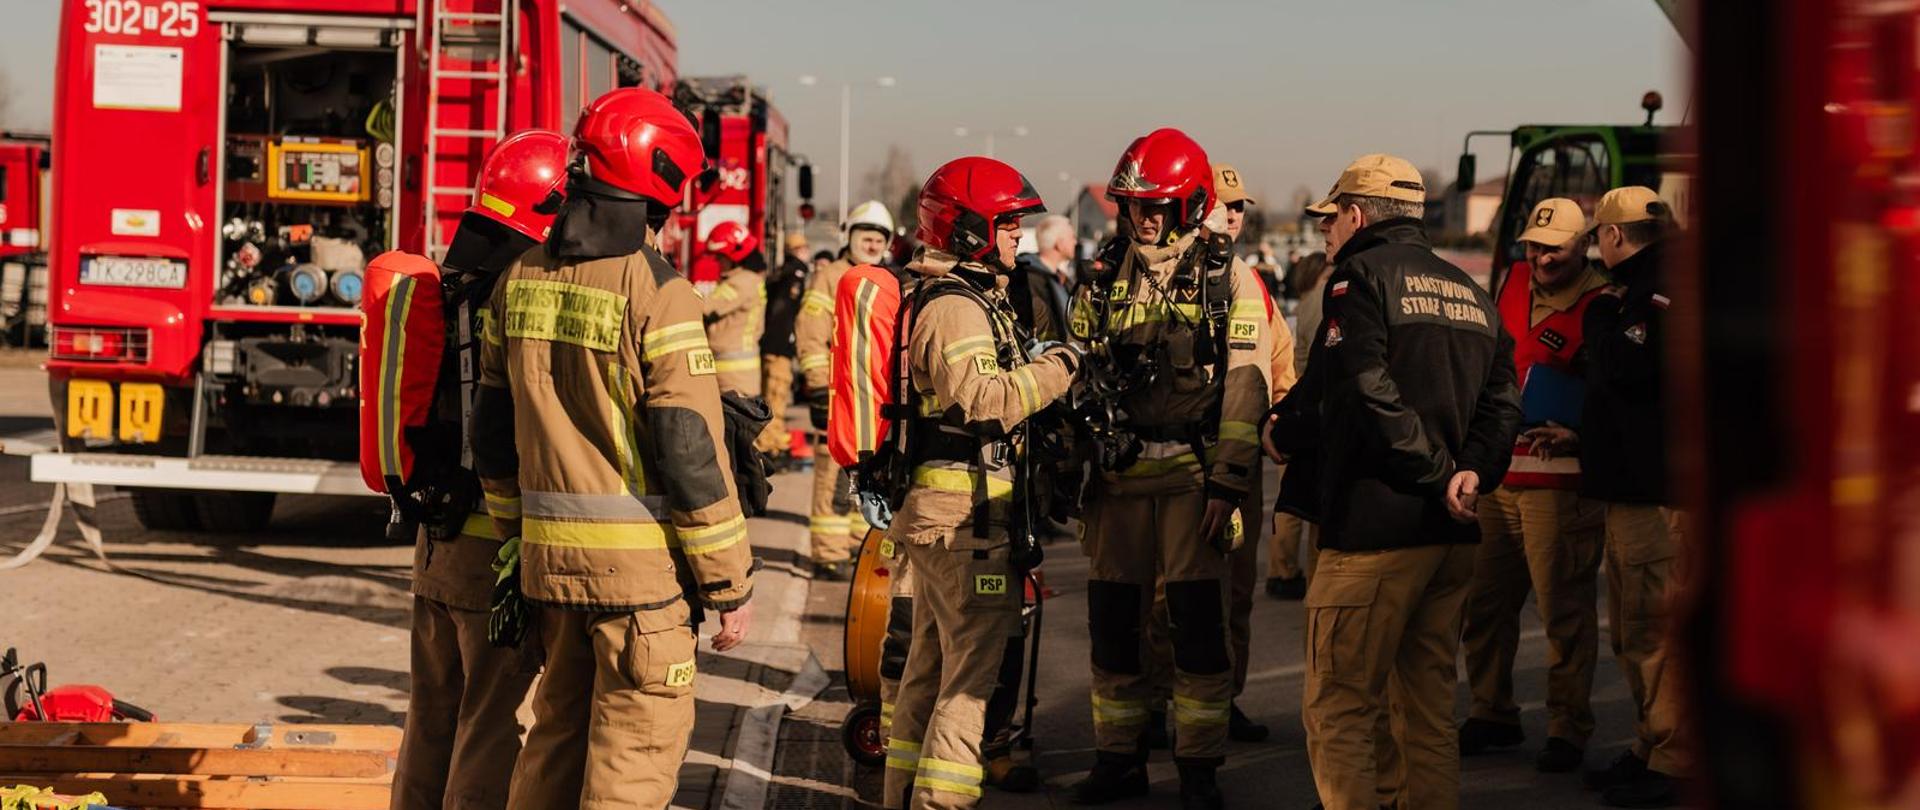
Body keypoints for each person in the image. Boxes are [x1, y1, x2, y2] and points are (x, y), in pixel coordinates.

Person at [475, 87, 756, 809]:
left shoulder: (518, 280)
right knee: (629, 775)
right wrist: (729, 585)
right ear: (658, 181)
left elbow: (493, 433)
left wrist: (514, 535)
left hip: (548, 573)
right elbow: (688, 453)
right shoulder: (660, 295)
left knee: (552, 753)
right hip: (641, 592)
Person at [1267, 154, 1520, 810]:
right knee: (1428, 716)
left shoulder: (1360, 279)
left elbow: (1360, 389)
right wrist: (1470, 475)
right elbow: (1503, 400)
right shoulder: (1470, 291)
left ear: (1356, 215)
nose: (1324, 232)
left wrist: (1436, 474)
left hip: (1373, 536)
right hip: (1450, 537)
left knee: (1340, 710)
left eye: (1329, 219)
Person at [1066, 128, 1273, 810]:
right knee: (1114, 623)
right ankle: (1117, 760)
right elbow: (1078, 362)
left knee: (1197, 628)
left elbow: (1246, 386)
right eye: (1133, 204)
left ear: (1190, 204)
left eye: (1158, 205)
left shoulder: (1228, 277)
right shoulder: (1103, 273)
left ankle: (1198, 772)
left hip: (1193, 477)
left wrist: (1229, 481)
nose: (1143, 217)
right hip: (1119, 480)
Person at [881, 156, 1083, 810]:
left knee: (932, 670)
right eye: (1008, 225)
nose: (1018, 237)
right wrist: (1062, 367)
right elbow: (982, 400)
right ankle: (941, 801)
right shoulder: (956, 308)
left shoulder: (966, 300)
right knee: (973, 678)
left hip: (950, 519)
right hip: (966, 528)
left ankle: (901, 794)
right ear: (970, 230)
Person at [387, 129, 569, 810]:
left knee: (432, 714)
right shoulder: (521, 295)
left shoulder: (452, 280)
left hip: (436, 538)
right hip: (496, 545)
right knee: (489, 724)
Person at [1534, 186, 1687, 808]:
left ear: (1614, 236)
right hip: (1635, 483)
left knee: (1654, 631)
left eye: (1597, 236)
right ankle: (1652, 745)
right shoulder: (1652, 283)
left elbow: (1627, 367)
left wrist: (1599, 317)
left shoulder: (1651, 290)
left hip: (1654, 493)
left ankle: (1676, 759)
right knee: (1633, 631)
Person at [1456, 198, 1611, 774]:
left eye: (1555, 248)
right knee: (1485, 606)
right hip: (1501, 473)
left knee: (1563, 612)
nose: (1541, 257)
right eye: (1534, 245)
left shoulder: (1604, 303)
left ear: (1583, 246)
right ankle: (1492, 712)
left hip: (1561, 488)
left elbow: (1616, 395)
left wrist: (1581, 431)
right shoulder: (1513, 279)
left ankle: (1568, 727)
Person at [795, 201, 896, 579]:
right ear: (849, 237)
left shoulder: (883, 278)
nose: (871, 245)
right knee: (832, 479)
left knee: (866, 475)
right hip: (838, 396)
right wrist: (819, 388)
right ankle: (828, 553)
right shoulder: (830, 277)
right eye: (865, 237)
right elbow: (811, 331)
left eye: (877, 239)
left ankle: (857, 545)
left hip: (871, 399)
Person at [1267, 251, 1331, 600]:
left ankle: (1281, 568)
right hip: (1310, 406)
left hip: (1293, 404)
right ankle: (1295, 573)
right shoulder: (1326, 300)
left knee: (1288, 501)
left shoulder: (1302, 305)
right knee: (1306, 502)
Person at [758, 231, 812, 462]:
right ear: (800, 250)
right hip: (779, 347)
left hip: (771, 345)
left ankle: (772, 439)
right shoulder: (796, 274)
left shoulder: (780, 273)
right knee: (776, 395)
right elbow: (785, 314)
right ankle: (770, 445)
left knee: (772, 392)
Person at [699, 221, 768, 398]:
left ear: (735, 255)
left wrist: (679, 289)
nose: (718, 262)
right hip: (737, 375)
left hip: (733, 377)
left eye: (720, 257)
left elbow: (705, 308)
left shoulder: (742, 282)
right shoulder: (748, 280)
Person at [1010, 214, 1075, 343]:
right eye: (1072, 237)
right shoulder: (1026, 278)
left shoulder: (1062, 279)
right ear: (1059, 244)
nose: (1075, 241)